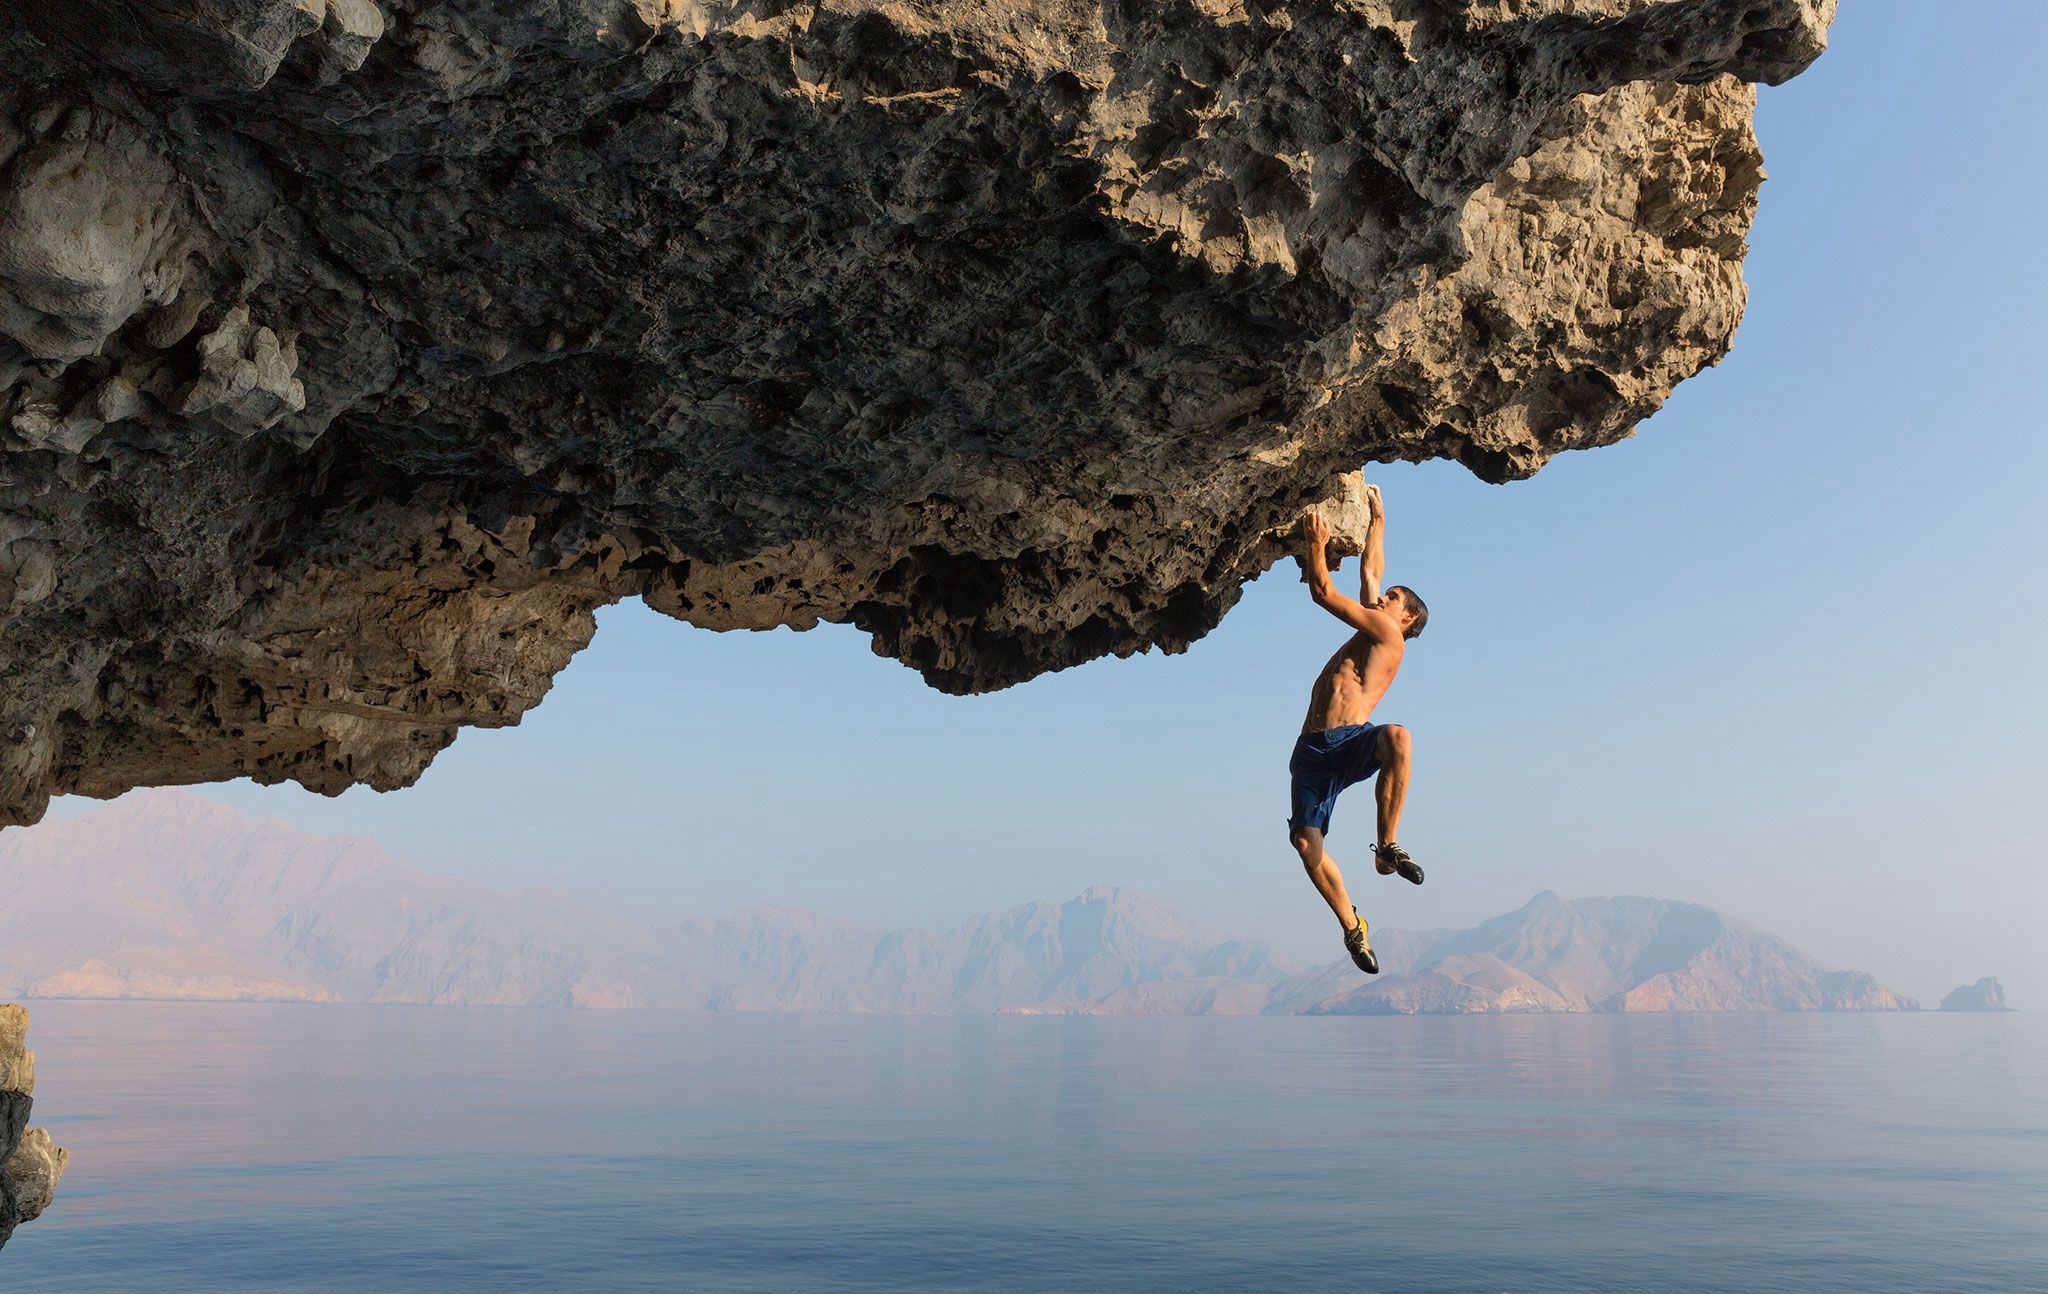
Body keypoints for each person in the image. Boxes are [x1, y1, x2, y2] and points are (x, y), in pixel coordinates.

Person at [1290, 487, 1429, 975]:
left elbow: (1323, 592)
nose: (1383, 594)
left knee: (1398, 737)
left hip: (1349, 742)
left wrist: (1316, 543)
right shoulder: (1376, 625)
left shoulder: (1389, 634)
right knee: (1307, 846)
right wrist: (1378, 517)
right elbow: (1371, 571)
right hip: (1311, 749)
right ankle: (1353, 927)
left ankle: (1387, 845)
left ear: (1406, 618)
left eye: (1392, 598)